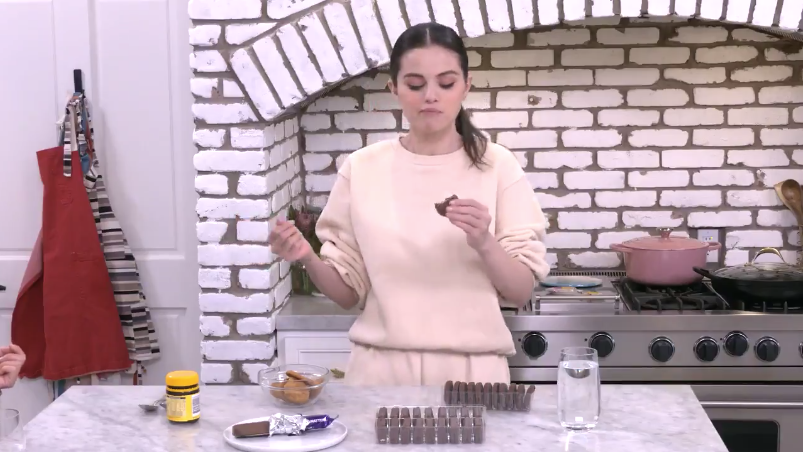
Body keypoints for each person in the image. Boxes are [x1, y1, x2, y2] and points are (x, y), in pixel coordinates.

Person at [268, 22, 549, 386]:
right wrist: (306, 255)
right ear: (395, 89)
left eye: (446, 83)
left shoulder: (498, 165)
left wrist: (484, 242)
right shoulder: (362, 167)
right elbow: (346, 293)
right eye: (415, 85)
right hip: (378, 373)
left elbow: (520, 290)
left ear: (466, 86)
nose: (430, 95)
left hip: (474, 374)